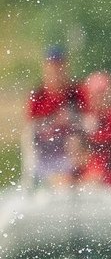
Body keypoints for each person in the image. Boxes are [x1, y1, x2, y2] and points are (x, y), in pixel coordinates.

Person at [27, 45, 87, 187]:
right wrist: (56, 122)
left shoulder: (76, 93)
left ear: (66, 67)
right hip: (48, 156)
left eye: (60, 66)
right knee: (62, 181)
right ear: (45, 68)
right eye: (52, 66)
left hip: (76, 154)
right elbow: (32, 130)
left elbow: (88, 121)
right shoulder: (38, 96)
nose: (56, 71)